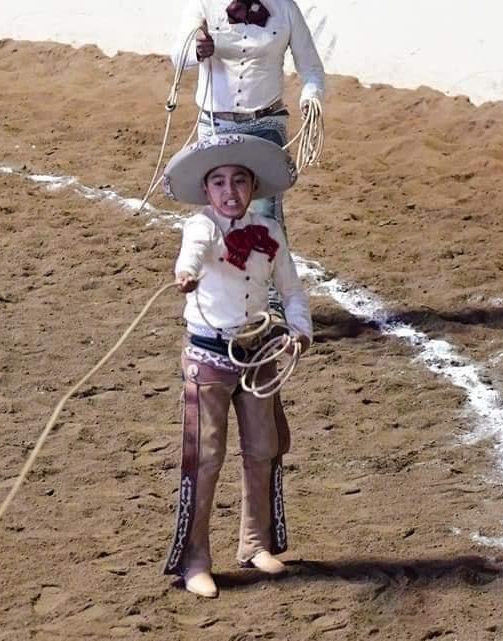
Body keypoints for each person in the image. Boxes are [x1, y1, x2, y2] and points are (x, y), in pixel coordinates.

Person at [160, 133, 313, 598]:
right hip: (209, 356)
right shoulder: (200, 228)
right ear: (207, 191)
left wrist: (301, 329)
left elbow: (290, 289)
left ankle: (255, 543)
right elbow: (194, 254)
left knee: (263, 447)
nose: (230, 191)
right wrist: (184, 274)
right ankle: (196, 559)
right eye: (220, 183)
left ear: (252, 188)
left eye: (240, 181)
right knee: (205, 456)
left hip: (259, 351)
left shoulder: (270, 234)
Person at [170, 0, 326, 229]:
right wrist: (196, 51)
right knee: (220, 214)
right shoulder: (203, 4)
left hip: (267, 123)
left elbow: (312, 69)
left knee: (267, 214)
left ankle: (272, 263)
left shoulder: (285, 8)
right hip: (215, 123)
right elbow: (178, 57)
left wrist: (311, 97)